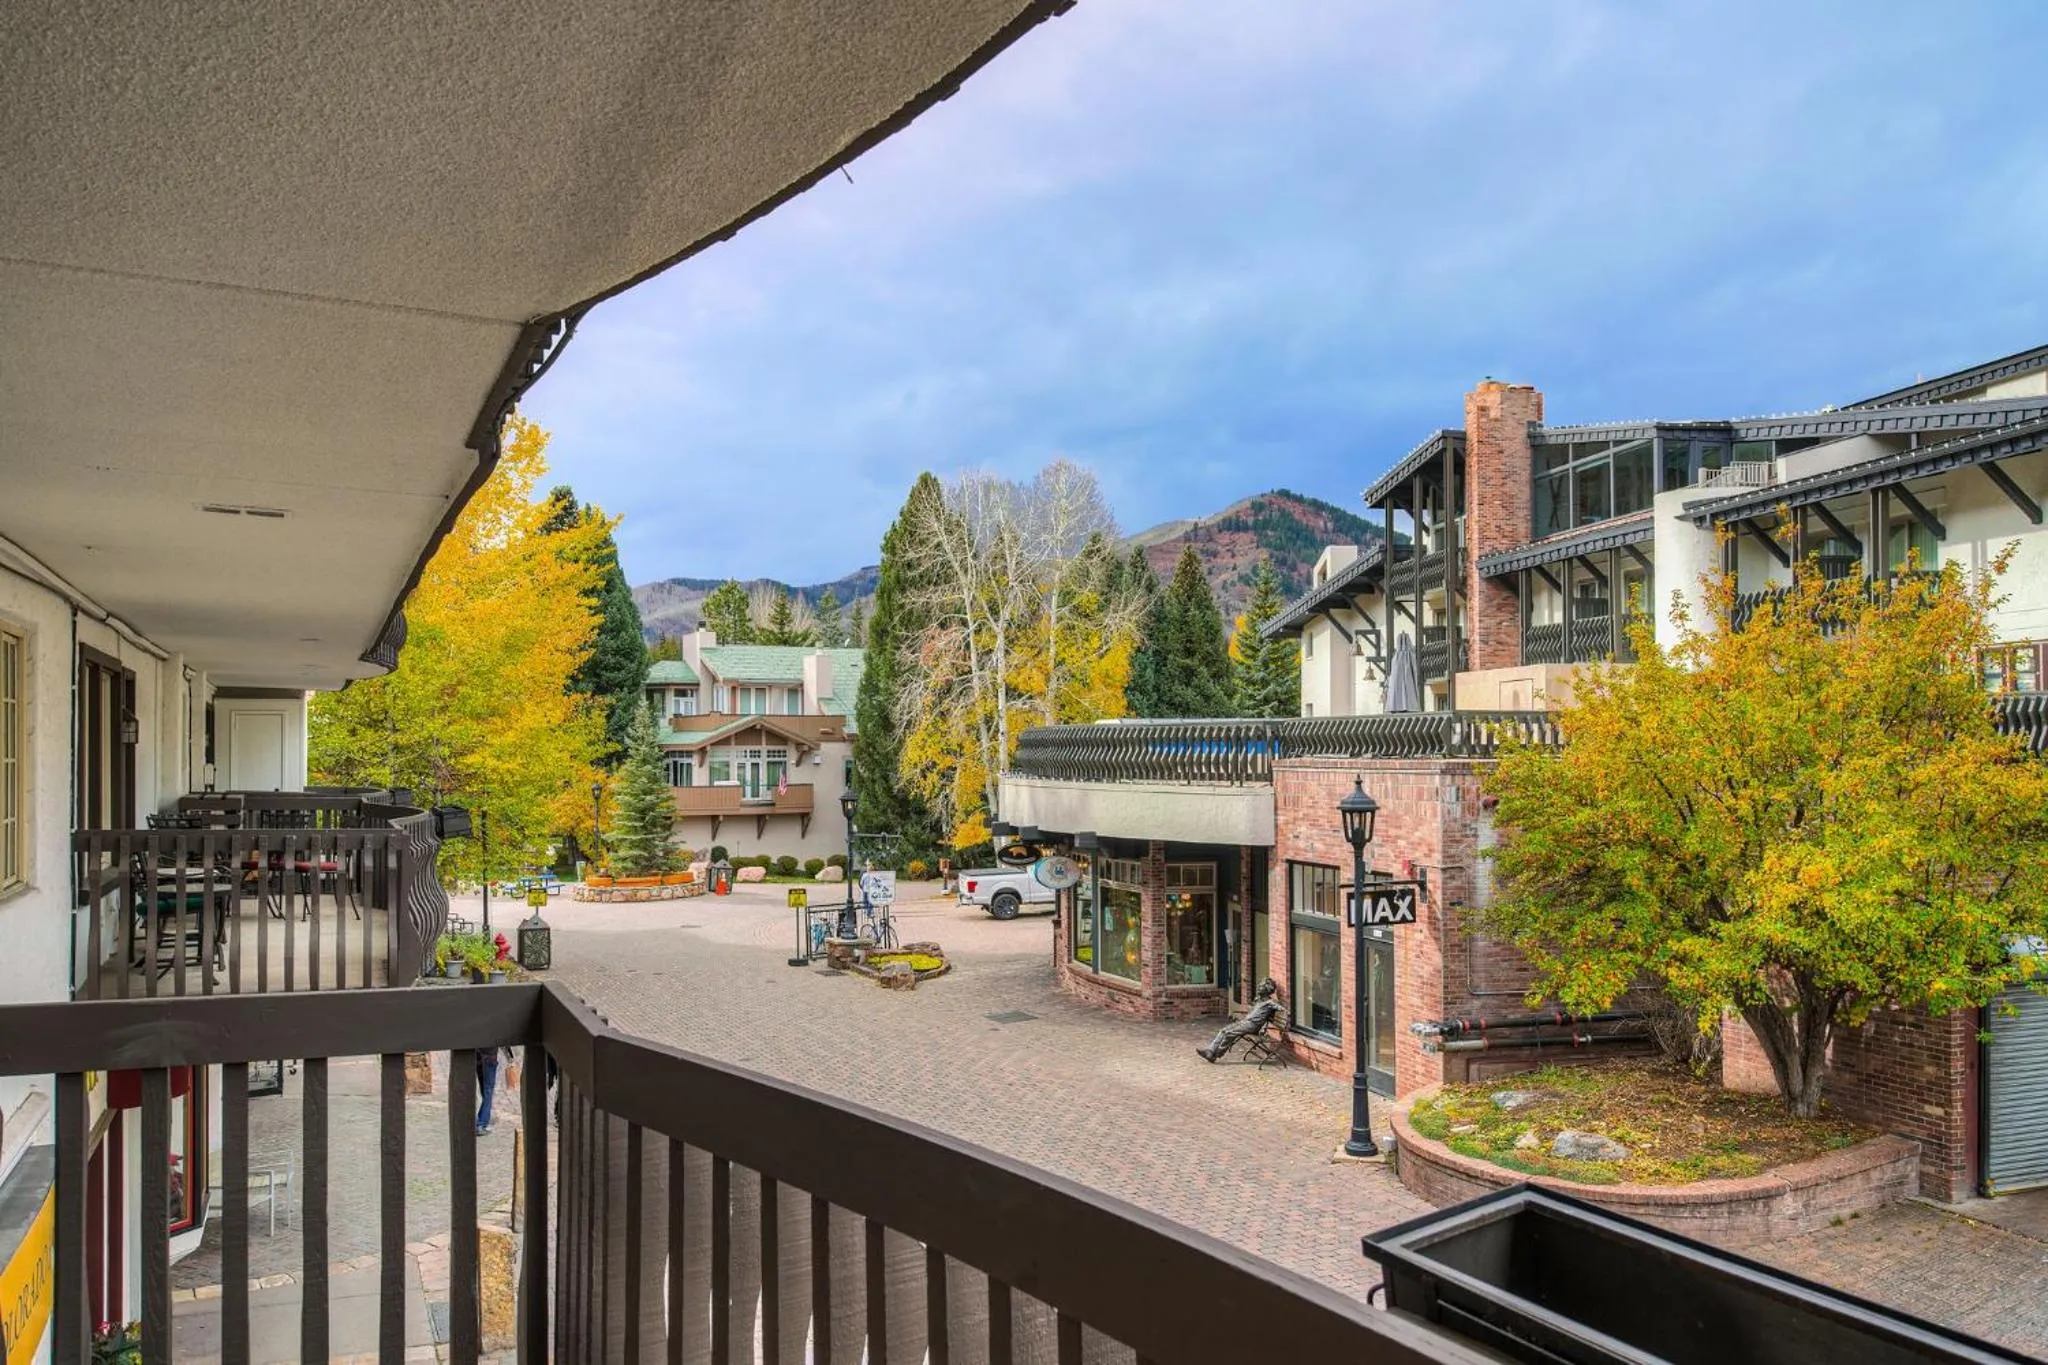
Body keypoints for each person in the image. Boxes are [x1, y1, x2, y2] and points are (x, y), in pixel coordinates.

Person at [1198, 978, 1283, 1062]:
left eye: (1261, 987)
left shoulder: (1270, 1003)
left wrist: (1281, 1009)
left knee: (1229, 1033)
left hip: (1253, 1026)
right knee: (1223, 1030)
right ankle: (1210, 1050)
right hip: (1246, 1022)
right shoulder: (1259, 1000)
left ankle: (1215, 1055)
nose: (1258, 988)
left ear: (1266, 990)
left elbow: (1282, 1009)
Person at [475, 1045, 515, 1135]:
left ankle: (483, 1117)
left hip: (478, 1057)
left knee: (484, 1090)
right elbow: (503, 1041)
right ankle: (481, 1124)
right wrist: (510, 1058)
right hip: (489, 1058)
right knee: (488, 1091)